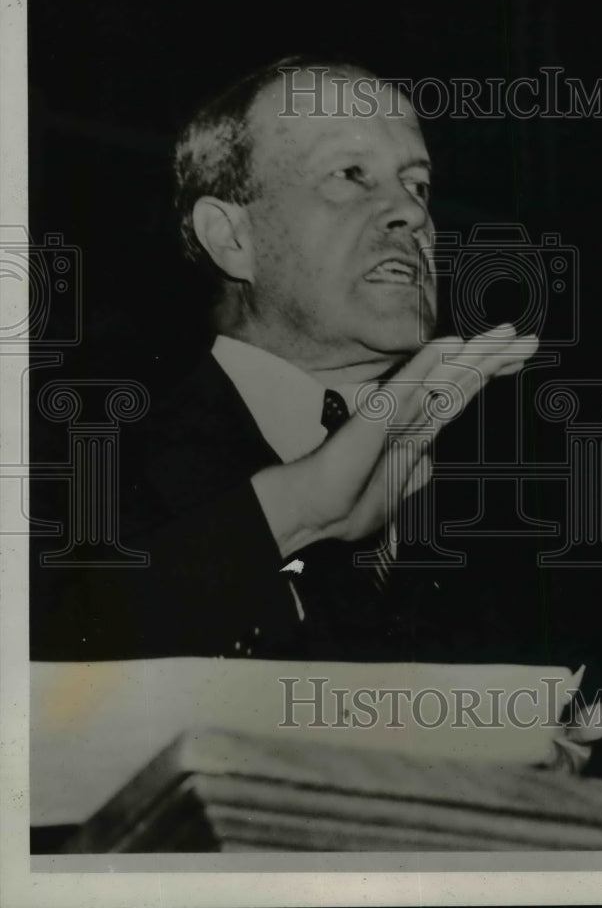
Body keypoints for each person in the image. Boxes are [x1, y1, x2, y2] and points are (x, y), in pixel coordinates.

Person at [30, 57, 537, 662]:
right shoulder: (70, 450)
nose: (415, 213)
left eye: (418, 184)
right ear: (232, 238)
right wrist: (292, 511)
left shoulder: (509, 490)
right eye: (351, 174)